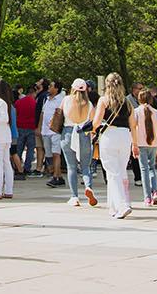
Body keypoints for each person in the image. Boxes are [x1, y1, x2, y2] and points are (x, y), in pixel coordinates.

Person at [91, 72, 135, 220]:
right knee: (120, 172)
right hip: (125, 136)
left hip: (110, 136)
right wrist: (135, 144)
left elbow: (96, 122)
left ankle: (122, 205)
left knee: (112, 173)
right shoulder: (127, 103)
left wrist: (91, 129)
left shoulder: (104, 101)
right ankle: (114, 205)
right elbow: (133, 125)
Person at [61, 78, 95, 206]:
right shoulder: (89, 104)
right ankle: (88, 186)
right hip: (83, 134)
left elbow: (59, 114)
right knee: (86, 167)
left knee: (71, 167)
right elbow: (93, 122)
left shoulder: (66, 100)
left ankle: (74, 196)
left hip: (68, 133)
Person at [133, 89, 157, 207]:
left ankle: (147, 197)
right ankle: (154, 191)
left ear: (139, 99)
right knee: (152, 169)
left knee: (144, 170)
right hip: (153, 143)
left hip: (141, 143)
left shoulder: (136, 112)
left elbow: (133, 129)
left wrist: (133, 144)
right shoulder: (155, 112)